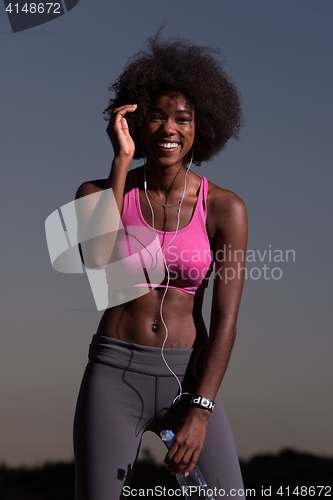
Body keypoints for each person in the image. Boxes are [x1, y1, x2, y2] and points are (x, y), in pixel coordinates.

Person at [73, 32, 248, 500]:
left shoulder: (225, 208)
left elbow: (226, 319)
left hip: (189, 380)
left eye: (182, 118)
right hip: (115, 375)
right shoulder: (95, 194)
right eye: (155, 116)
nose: (169, 128)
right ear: (133, 120)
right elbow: (95, 264)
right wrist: (121, 160)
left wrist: (202, 408)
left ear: (200, 127)